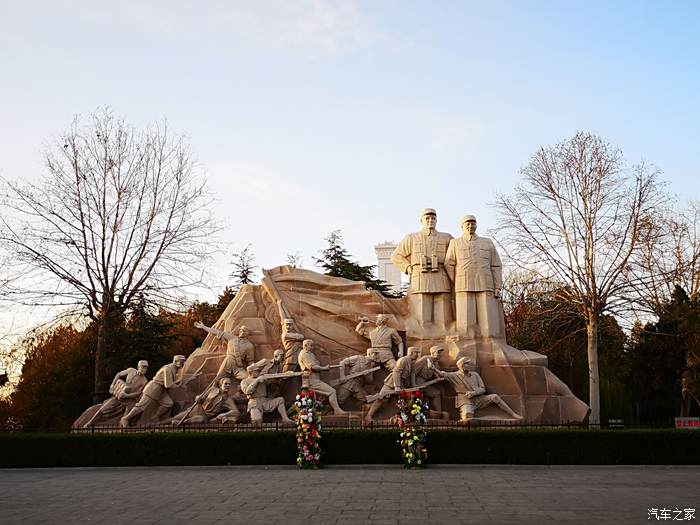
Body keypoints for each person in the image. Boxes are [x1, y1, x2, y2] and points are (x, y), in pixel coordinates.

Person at [391, 208, 453, 329]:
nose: (430, 220)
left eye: (433, 218)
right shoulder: (412, 237)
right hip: (420, 276)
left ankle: (444, 336)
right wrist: (407, 267)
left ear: (437, 220)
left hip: (441, 275)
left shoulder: (447, 237)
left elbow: (456, 255)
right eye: (427, 218)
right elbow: (396, 256)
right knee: (423, 313)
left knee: (443, 313)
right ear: (421, 220)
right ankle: (423, 336)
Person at [444, 214, 505, 339]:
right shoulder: (455, 243)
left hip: (485, 283)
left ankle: (490, 341)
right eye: (467, 224)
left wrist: (497, 285)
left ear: (476, 225)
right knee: (466, 320)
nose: (470, 226)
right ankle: (467, 341)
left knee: (487, 318)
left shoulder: (487, 242)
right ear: (462, 226)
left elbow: (496, 265)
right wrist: (456, 280)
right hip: (463, 284)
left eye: (473, 223)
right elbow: (448, 263)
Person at [433, 357, 522, 422]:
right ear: (462, 366)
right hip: (465, 400)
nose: (469, 365)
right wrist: (432, 368)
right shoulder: (455, 375)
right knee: (467, 419)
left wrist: (474, 393)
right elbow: (442, 374)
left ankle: (513, 414)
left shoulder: (475, 374)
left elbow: (483, 389)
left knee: (495, 397)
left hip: (479, 399)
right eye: (467, 363)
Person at [120, 355, 186, 427]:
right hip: (153, 388)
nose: (183, 363)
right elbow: (168, 385)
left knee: (168, 403)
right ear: (175, 361)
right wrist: (179, 385)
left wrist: (183, 381)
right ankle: (125, 418)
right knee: (141, 406)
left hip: (161, 389)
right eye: (181, 361)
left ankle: (154, 418)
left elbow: (171, 382)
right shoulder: (168, 369)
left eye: (183, 361)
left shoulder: (174, 369)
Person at [83, 360, 149, 428]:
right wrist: (112, 385)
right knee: (103, 409)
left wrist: (127, 396)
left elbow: (138, 393)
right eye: (143, 367)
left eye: (146, 368)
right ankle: (90, 423)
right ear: (138, 367)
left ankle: (123, 428)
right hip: (119, 395)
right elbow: (119, 374)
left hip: (129, 399)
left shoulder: (144, 381)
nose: (144, 369)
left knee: (128, 414)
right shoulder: (131, 370)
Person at [365, 346, 421, 424]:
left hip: (401, 382)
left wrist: (414, 385)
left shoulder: (411, 362)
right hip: (392, 381)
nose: (417, 355)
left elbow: (411, 374)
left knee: (407, 399)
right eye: (416, 353)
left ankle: (406, 417)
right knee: (381, 398)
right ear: (411, 353)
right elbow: (396, 372)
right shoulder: (403, 360)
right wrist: (397, 386)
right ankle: (369, 416)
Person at [298, 339, 347, 415]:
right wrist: (324, 368)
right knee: (332, 391)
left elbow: (316, 365)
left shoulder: (310, 354)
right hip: (311, 381)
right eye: (311, 345)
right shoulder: (304, 354)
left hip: (316, 379)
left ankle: (316, 414)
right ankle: (337, 410)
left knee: (313, 402)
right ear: (305, 345)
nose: (312, 347)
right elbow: (313, 367)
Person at [240, 359, 293, 426]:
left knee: (280, 400)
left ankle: (285, 419)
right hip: (254, 403)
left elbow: (275, 378)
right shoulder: (245, 381)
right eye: (256, 371)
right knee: (256, 422)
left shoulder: (262, 379)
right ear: (251, 372)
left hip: (265, 401)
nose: (258, 372)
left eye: (258, 371)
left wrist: (286, 374)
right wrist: (257, 381)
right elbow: (248, 391)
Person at [169, 377, 240, 425]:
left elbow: (236, 412)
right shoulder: (212, 389)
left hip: (204, 416)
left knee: (199, 420)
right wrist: (198, 397)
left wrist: (224, 414)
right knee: (175, 418)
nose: (228, 386)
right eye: (226, 384)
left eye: (229, 384)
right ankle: (158, 423)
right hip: (197, 409)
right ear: (221, 384)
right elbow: (202, 397)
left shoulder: (227, 399)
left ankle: (182, 423)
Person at [413, 345, 445, 413]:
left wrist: (433, 369)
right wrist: (414, 384)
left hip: (426, 384)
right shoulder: (425, 359)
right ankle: (417, 413)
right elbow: (413, 371)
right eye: (438, 352)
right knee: (418, 395)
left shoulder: (435, 362)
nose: (440, 355)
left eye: (441, 353)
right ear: (433, 353)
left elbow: (437, 377)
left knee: (436, 393)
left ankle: (439, 413)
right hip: (418, 383)